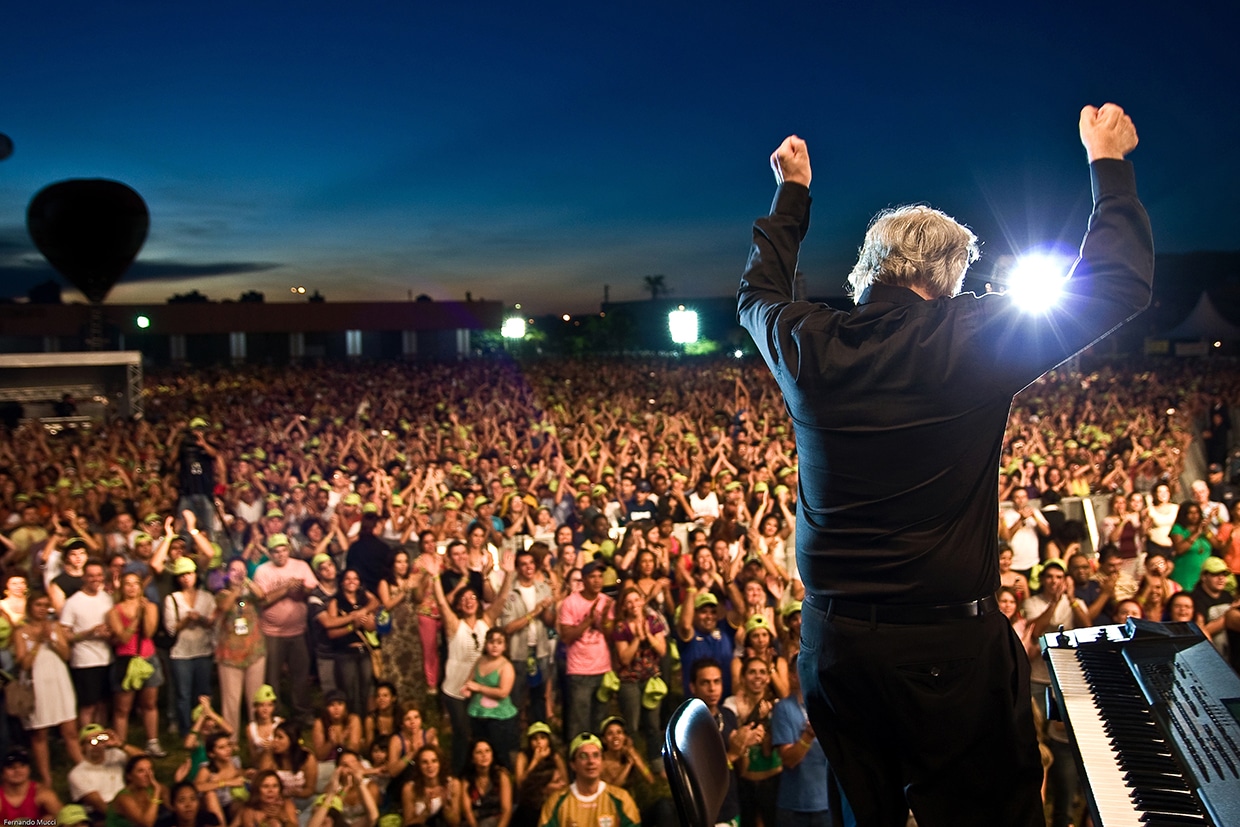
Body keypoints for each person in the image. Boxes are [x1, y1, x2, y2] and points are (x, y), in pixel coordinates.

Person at [737, 104, 1153, 827]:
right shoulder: (974, 337)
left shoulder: (807, 342)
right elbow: (1118, 285)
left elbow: (757, 296)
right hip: (946, 650)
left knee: (865, 810)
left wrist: (792, 195)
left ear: (867, 271)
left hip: (835, 647)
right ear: (953, 279)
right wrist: (1107, 163)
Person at [13, 591, 80, 787]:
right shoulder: (20, 632)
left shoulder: (55, 627)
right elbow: (24, 664)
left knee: (70, 729)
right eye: (38, 605)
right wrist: (37, 643)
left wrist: (51, 639)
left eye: (45, 605)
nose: (42, 609)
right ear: (30, 607)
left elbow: (66, 655)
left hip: (58, 680)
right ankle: (47, 778)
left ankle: (81, 767)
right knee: (40, 733)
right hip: (37, 683)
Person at [537, 734, 640, 827]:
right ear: (573, 764)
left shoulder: (621, 799)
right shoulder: (555, 802)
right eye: (583, 756)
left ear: (602, 762)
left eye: (596, 755)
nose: (591, 761)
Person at [60, 560, 115, 729]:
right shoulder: (73, 602)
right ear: (84, 577)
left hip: (107, 658)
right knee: (88, 705)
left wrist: (109, 633)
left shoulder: (107, 598)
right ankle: (87, 740)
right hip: (85, 661)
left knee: (103, 704)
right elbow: (65, 634)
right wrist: (89, 632)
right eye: (91, 575)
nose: (95, 579)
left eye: (98, 575)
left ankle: (101, 741)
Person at [0, 748, 61, 822]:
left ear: (29, 769)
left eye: (22, 766)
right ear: (2, 772)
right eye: (11, 767)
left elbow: (66, 820)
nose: (17, 771)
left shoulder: (43, 794)